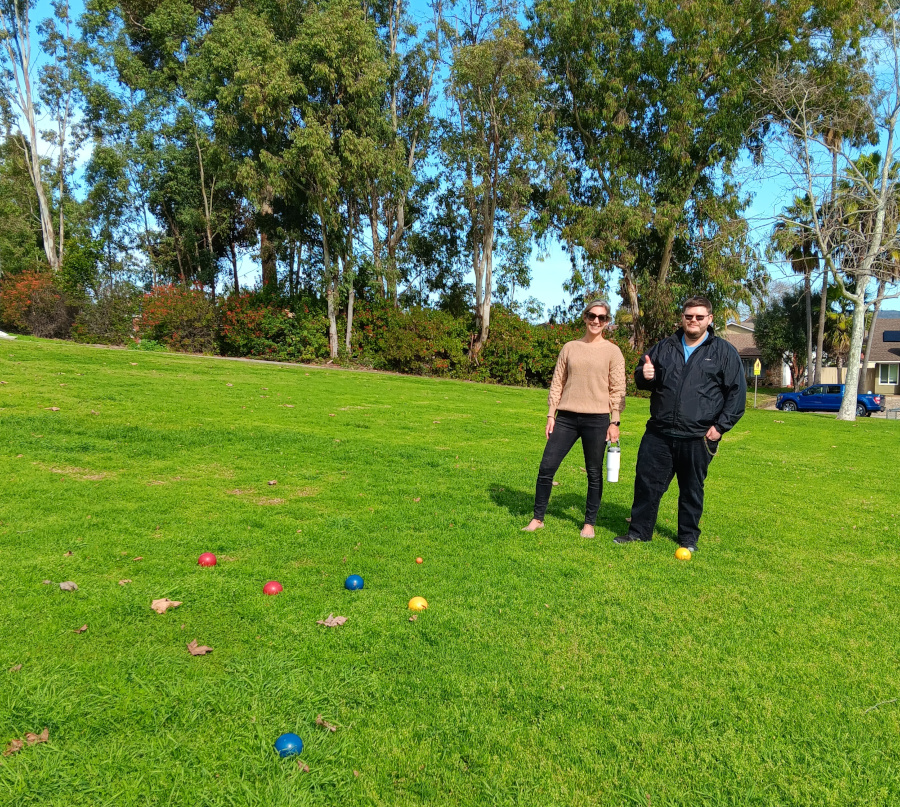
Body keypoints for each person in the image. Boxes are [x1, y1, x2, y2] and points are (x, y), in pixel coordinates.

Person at [614, 296, 746, 552]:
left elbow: (737, 395)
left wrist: (719, 428)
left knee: (691, 490)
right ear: (682, 318)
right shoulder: (664, 347)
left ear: (710, 319)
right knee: (647, 485)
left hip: (698, 436)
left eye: (699, 317)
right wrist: (645, 375)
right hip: (659, 433)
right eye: (689, 316)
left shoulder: (723, 352)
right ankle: (639, 532)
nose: (693, 321)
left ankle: (688, 539)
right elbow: (643, 376)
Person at [523, 300, 626, 538]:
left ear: (607, 322)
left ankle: (589, 523)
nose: (596, 321)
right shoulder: (570, 347)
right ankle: (538, 518)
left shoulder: (613, 351)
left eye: (601, 318)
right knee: (547, 467)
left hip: (598, 420)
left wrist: (615, 421)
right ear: (585, 317)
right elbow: (557, 382)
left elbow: (618, 389)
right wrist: (551, 413)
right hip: (566, 418)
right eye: (592, 316)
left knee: (593, 472)